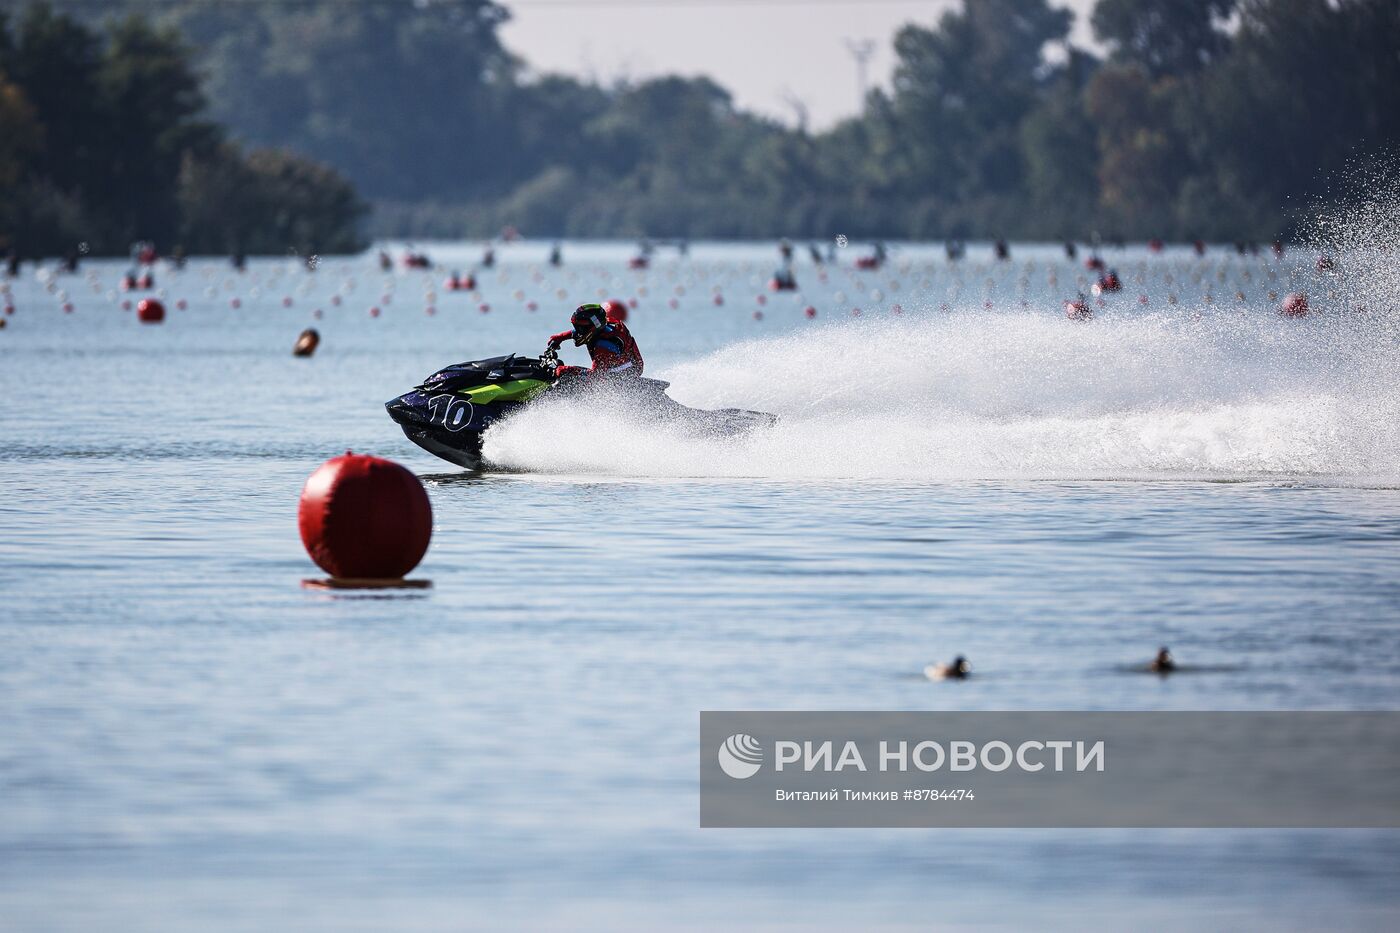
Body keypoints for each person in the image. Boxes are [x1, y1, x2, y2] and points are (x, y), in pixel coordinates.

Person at [546, 303, 643, 381]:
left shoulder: (603, 347)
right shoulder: (602, 326)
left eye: (580, 328)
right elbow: (582, 331)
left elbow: (595, 377)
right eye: (576, 327)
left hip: (628, 373)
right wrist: (560, 337)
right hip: (618, 364)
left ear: (593, 327)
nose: (577, 331)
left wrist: (564, 370)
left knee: (568, 373)